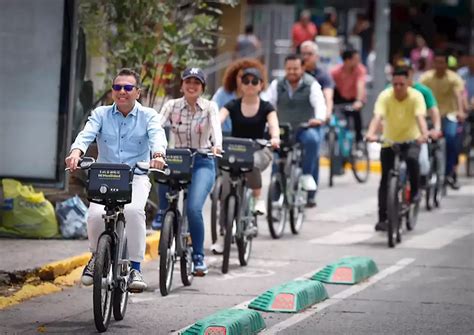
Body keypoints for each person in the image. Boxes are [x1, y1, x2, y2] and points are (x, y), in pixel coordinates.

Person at [66, 68, 167, 291]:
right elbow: (86, 134)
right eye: (118, 87)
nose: (122, 91)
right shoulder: (100, 114)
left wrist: (158, 155)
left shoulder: (148, 115)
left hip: (136, 176)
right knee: (94, 215)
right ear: (112, 91)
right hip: (105, 176)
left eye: (128, 88)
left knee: (133, 211)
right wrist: (76, 152)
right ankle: (95, 257)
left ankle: (135, 268)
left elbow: (157, 136)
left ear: (137, 92)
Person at [155, 67, 222, 276]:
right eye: (188, 81)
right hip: (178, 159)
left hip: (203, 160)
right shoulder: (171, 105)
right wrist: (153, 146)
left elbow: (216, 129)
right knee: (159, 166)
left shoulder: (210, 107)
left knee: (193, 209)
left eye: (196, 82)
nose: (191, 86)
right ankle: (162, 211)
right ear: (182, 84)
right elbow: (156, 126)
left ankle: (198, 257)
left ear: (202, 87)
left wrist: (216, 145)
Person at [365, 67, 429, 231]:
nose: (398, 88)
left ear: (408, 82)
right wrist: (371, 134)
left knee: (412, 160)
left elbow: (420, 118)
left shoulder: (416, 96)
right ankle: (382, 218)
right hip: (390, 141)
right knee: (386, 179)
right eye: (395, 84)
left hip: (411, 139)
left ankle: (415, 192)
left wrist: (424, 135)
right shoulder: (385, 96)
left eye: (402, 84)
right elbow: (377, 117)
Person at [264, 54, 327, 207]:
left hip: (303, 128)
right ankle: (275, 199)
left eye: (296, 69)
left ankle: (306, 176)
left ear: (302, 68)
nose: (292, 72)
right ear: (285, 69)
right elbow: (267, 103)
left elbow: (320, 104)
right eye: (289, 69)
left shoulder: (311, 84)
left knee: (312, 140)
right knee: (277, 160)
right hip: (282, 130)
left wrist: (318, 118)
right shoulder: (276, 84)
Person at [219, 67, 280, 215]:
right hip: (235, 150)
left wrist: (275, 138)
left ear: (261, 85)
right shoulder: (232, 104)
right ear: (241, 85)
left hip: (259, 149)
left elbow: (273, 124)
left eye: (254, 81)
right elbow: (218, 119)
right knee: (226, 182)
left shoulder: (267, 107)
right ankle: (224, 218)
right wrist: (211, 134)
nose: (250, 84)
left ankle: (257, 198)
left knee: (252, 164)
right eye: (246, 81)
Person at [420, 50, 466, 189]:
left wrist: (460, 111)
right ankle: (425, 172)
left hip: (449, 115)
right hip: (430, 115)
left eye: (442, 63)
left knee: (451, 140)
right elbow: (419, 95)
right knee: (424, 142)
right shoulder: (426, 78)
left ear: (446, 64)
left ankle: (450, 172)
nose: (439, 65)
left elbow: (458, 95)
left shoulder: (454, 78)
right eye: (437, 62)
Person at [212, 58, 267, 134]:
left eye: (252, 80)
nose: (247, 82)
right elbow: (213, 114)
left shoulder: (262, 99)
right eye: (242, 77)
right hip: (224, 137)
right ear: (234, 77)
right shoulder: (222, 94)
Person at [330, 48, 367, 144]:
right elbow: (328, 86)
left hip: (355, 98)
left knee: (356, 118)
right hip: (340, 97)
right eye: (356, 59)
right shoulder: (335, 72)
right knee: (334, 118)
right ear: (347, 60)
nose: (358, 62)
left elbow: (360, 84)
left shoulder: (360, 69)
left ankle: (359, 141)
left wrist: (358, 100)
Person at [301, 40, 334, 119]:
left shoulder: (323, 75)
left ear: (317, 56)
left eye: (309, 54)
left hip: (316, 115)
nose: (306, 57)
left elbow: (328, 96)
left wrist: (327, 113)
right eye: (303, 54)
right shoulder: (296, 73)